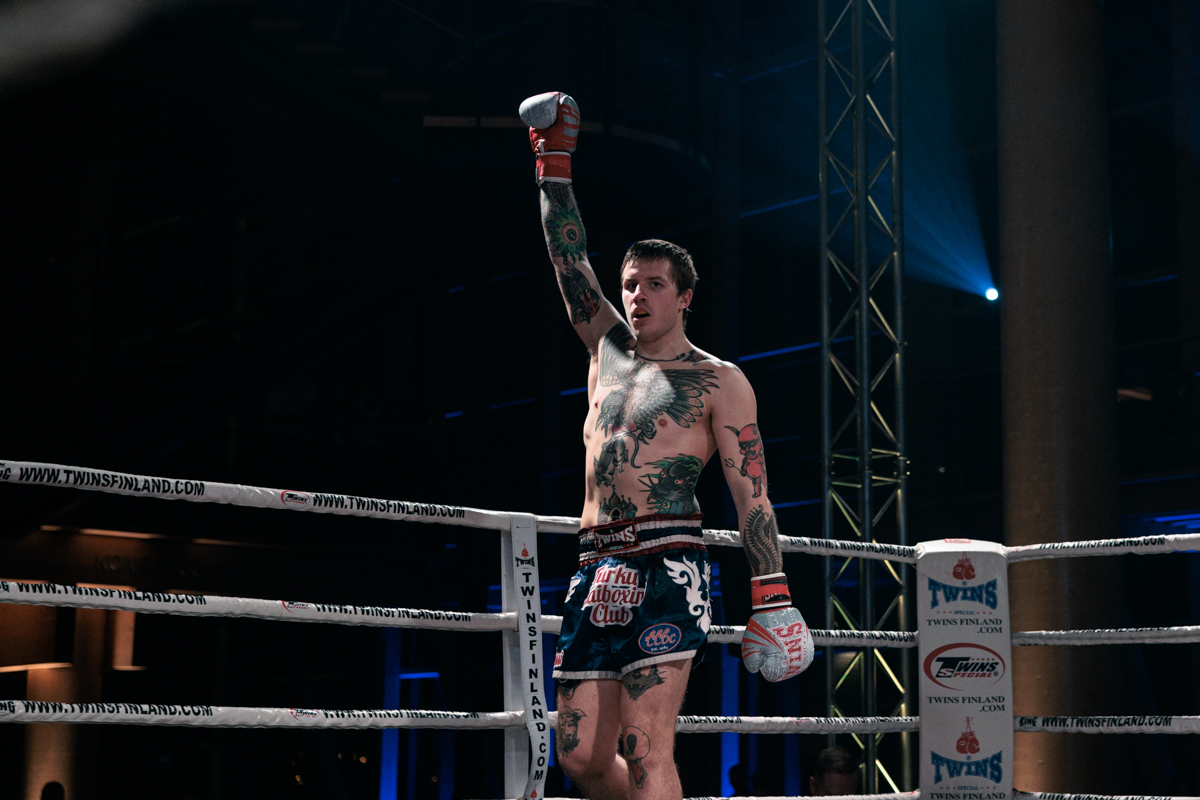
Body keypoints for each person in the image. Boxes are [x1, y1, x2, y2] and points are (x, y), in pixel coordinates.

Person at [519, 91, 815, 799]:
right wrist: (553, 165)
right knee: (580, 756)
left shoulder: (718, 380)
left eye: (655, 284)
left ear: (684, 297)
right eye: (630, 285)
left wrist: (771, 592)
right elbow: (567, 258)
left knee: (644, 747)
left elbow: (751, 490)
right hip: (593, 563)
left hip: (668, 563)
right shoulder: (606, 350)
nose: (638, 296)